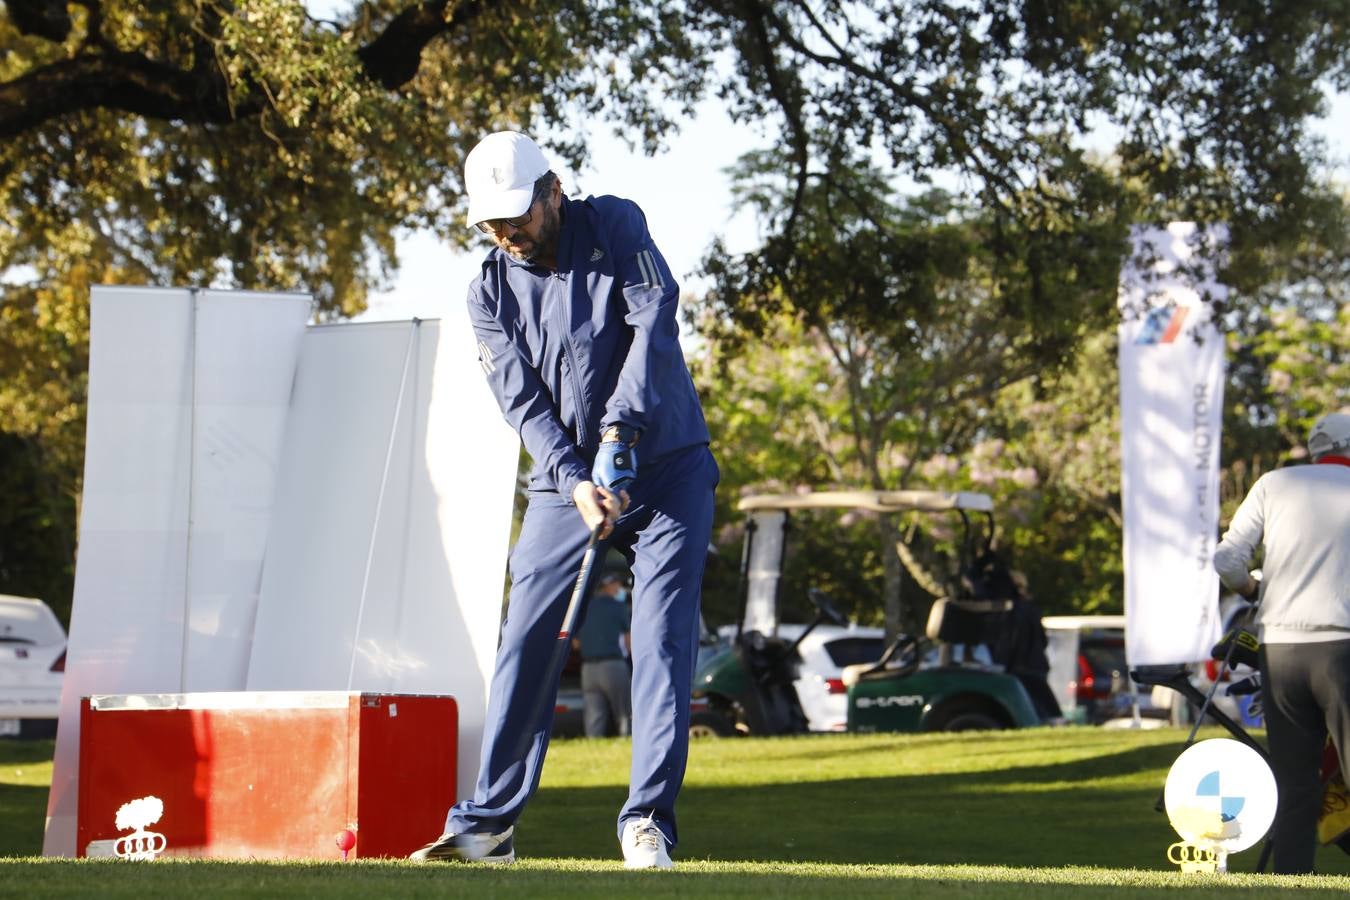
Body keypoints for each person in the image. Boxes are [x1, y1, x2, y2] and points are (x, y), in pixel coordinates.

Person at [411, 131, 717, 869]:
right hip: (566, 484)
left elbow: (654, 322)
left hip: (667, 467)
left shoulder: (615, 226)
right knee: (524, 639)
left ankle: (646, 822)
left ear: (553, 191)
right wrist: (575, 476)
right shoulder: (488, 287)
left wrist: (621, 433)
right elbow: (521, 402)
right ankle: (488, 824)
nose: (505, 234)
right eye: (490, 223)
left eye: (516, 215)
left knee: (662, 640)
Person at [1212, 412, 1350, 874]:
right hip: (1342, 648)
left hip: (1280, 649)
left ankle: (1291, 881)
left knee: (1294, 782)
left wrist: (1251, 590)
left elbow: (1228, 559)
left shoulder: (1273, 483)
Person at [574, 566, 633, 737]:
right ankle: (626, 742)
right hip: (613, 665)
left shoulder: (584, 608)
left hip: (588, 669)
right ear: (608, 586)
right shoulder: (618, 607)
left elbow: (576, 643)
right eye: (616, 585)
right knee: (623, 712)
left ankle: (593, 747)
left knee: (594, 714)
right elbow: (628, 638)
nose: (619, 589)